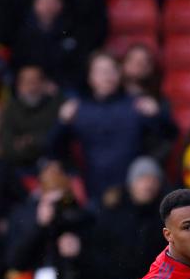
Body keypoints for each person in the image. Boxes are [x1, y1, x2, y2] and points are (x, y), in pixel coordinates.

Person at [49, 51, 171, 204]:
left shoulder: (136, 104)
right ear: (90, 77)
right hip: (93, 191)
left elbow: (168, 137)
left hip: (133, 193)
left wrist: (157, 116)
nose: (107, 75)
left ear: (119, 74)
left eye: (112, 70)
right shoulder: (78, 109)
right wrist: (62, 123)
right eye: (100, 71)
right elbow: (54, 150)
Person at [0, 65, 62, 170]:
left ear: (43, 84)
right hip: (17, 166)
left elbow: (55, 141)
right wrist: (34, 143)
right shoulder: (11, 108)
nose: (32, 88)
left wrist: (28, 141)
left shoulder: (54, 105)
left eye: (35, 82)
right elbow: (7, 145)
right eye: (27, 83)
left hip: (49, 166)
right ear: (19, 86)